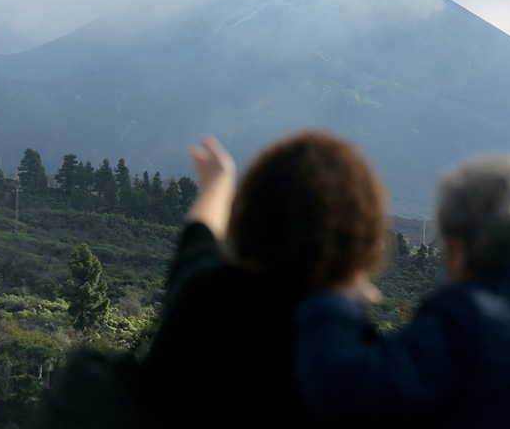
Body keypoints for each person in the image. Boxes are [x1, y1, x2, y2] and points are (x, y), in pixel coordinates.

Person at [294, 154, 510, 428]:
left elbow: (342, 391)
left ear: (461, 251)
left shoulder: (468, 315)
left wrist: (337, 290)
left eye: (445, 246)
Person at [136, 132, 388, 428]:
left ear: (249, 218)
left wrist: (219, 183)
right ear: (364, 239)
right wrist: (349, 278)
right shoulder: (355, 361)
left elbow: (199, 232)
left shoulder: (201, 293)